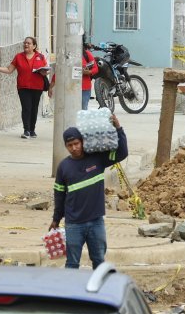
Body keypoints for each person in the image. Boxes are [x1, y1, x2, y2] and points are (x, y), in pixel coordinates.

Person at [50, 114, 129, 269]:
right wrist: (56, 219)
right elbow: (59, 196)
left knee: (99, 260)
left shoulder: (97, 159)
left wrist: (119, 129)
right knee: (72, 263)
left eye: (76, 143)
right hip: (73, 224)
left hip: (96, 222)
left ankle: (98, 291)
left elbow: (122, 153)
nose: (74, 148)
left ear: (83, 141)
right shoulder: (63, 167)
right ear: (66, 146)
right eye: (70, 145)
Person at [0, 36, 49, 139]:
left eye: (29, 43)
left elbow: (46, 70)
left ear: (34, 46)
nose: (26, 45)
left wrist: (43, 72)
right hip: (23, 87)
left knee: (34, 109)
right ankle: (26, 130)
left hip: (37, 87)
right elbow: (9, 69)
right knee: (26, 108)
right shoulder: (18, 57)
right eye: (25, 43)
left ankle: (32, 130)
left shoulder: (41, 57)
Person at [47, 44, 99, 110]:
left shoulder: (86, 54)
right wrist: (50, 87)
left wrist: (89, 72)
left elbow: (95, 68)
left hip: (84, 89)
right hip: (69, 88)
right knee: (70, 110)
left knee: (83, 110)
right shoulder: (65, 56)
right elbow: (58, 72)